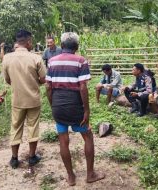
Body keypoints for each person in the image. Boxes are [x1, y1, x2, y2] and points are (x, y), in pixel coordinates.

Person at [46, 32, 105, 186]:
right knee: (88, 136)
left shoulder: (51, 61)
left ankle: (71, 177)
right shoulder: (81, 61)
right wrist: (86, 110)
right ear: (77, 46)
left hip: (58, 104)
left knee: (63, 141)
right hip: (75, 105)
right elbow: (83, 87)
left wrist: (54, 105)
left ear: (62, 45)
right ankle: (90, 174)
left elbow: (48, 87)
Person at [2, 29, 46, 169]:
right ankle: (32, 157)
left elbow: (8, 80)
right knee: (33, 128)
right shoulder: (36, 58)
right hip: (33, 99)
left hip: (17, 100)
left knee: (15, 127)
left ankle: (14, 159)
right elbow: (43, 79)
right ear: (28, 42)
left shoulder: (7, 58)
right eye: (31, 41)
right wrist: (34, 83)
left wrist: (18, 84)